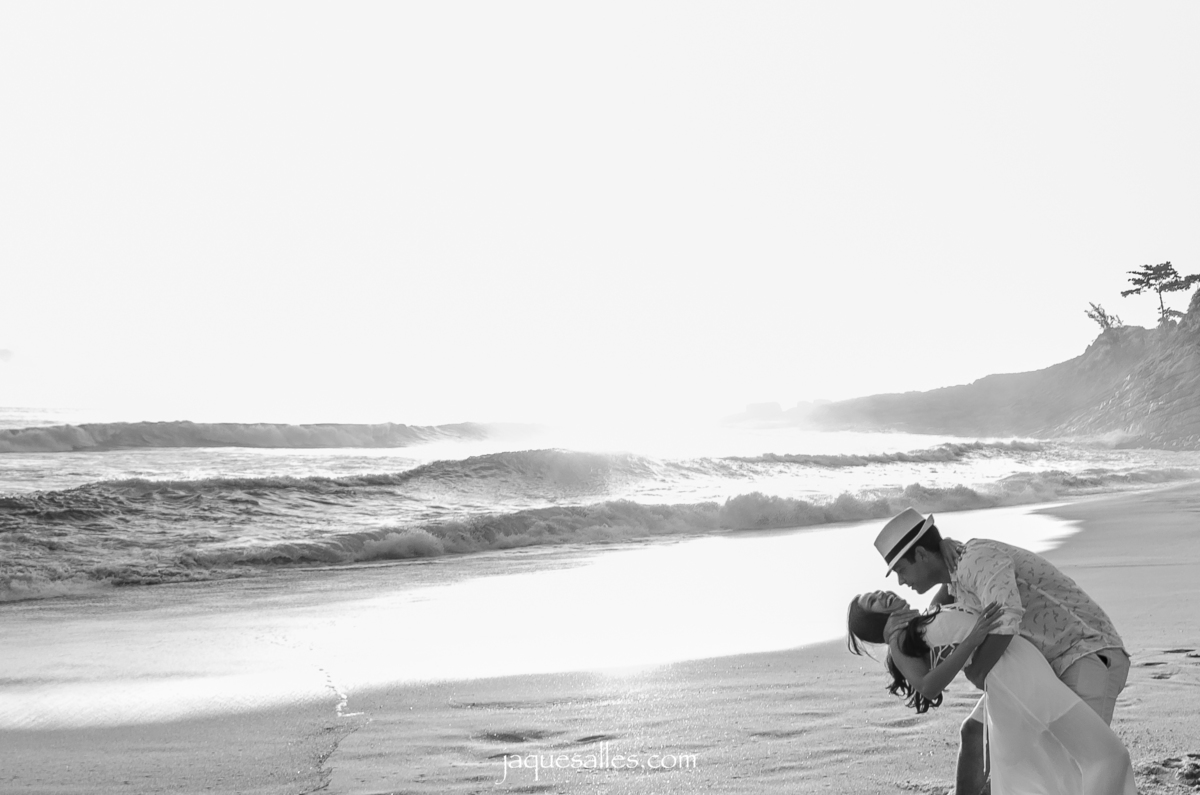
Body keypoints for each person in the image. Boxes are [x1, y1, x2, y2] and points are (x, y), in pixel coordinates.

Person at [873, 508, 1132, 795]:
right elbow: (934, 620)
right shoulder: (953, 580)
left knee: (1077, 765)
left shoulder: (975, 559)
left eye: (900, 569)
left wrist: (979, 674)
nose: (900, 581)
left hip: (1084, 651)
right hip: (1036, 670)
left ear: (921, 554)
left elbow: (1006, 620)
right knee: (974, 734)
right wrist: (894, 633)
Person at [848, 590, 1137, 795]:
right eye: (873, 601)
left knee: (1077, 761)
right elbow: (928, 686)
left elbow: (949, 584)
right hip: (1020, 679)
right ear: (872, 621)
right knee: (1106, 757)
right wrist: (973, 639)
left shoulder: (923, 617)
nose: (882, 593)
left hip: (1025, 668)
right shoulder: (899, 641)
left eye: (877, 591)